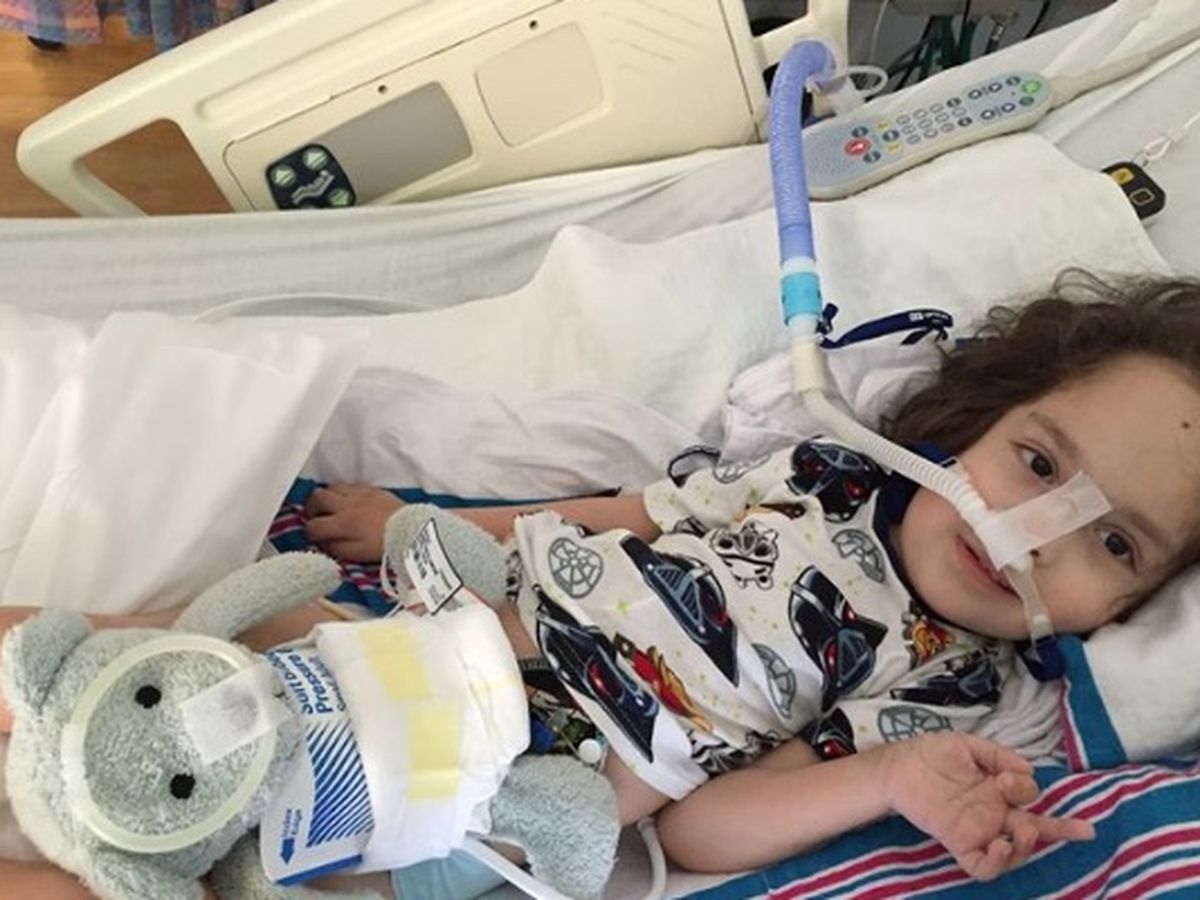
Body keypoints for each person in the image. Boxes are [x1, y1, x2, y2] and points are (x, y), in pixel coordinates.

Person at [2, 271, 1199, 897]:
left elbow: (703, 827)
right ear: (980, 419)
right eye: (1039, 464)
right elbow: (623, 515)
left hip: (509, 791)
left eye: (1114, 545)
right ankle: (36, 677)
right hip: (452, 629)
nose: (1032, 536)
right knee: (198, 642)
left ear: (1128, 610)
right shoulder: (823, 479)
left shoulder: (948, 691)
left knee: (253, 870)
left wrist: (886, 782)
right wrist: (424, 525)